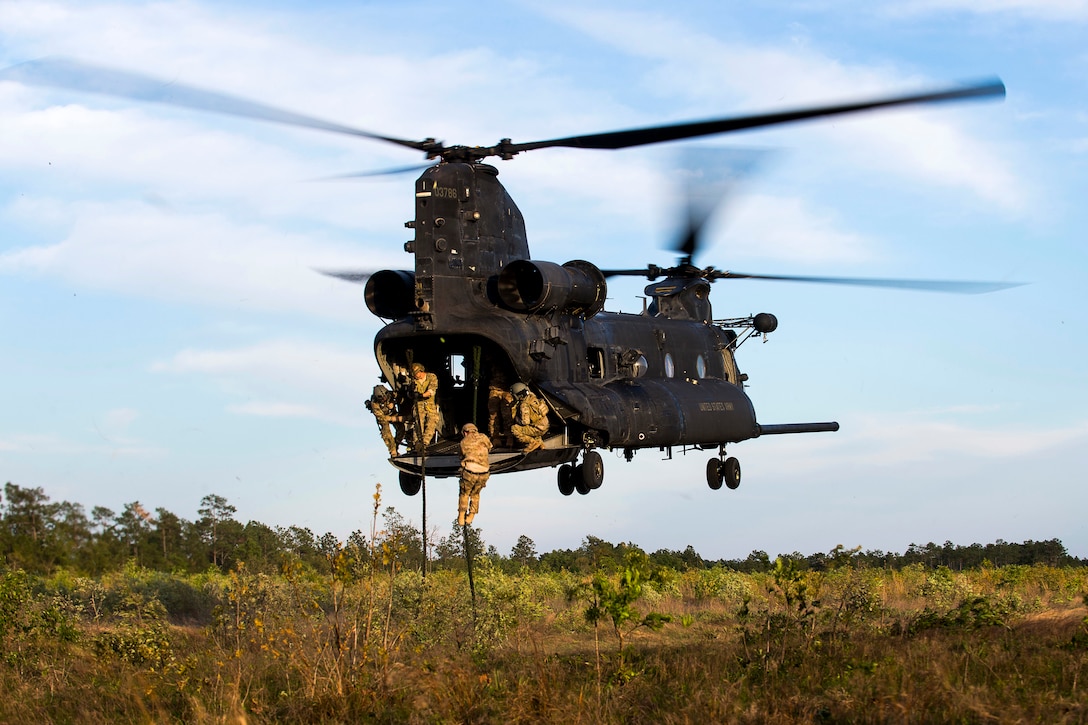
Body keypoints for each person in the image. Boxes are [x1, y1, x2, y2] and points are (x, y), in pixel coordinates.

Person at [457, 423, 492, 526]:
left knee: (465, 494)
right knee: (475, 494)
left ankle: (461, 516)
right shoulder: (484, 437)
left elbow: (461, 455)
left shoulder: (463, 442)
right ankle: (471, 516)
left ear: (465, 432)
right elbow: (489, 447)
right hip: (484, 472)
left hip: (470, 472)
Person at [509, 382, 549, 453]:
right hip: (544, 427)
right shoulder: (534, 398)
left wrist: (516, 419)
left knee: (514, 428)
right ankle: (541, 444)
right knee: (532, 425)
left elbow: (525, 422)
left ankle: (533, 442)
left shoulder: (524, 405)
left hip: (537, 429)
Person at [365, 384, 403, 457]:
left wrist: (393, 403)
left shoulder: (391, 394)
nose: (384, 399)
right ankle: (393, 451)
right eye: (382, 399)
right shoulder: (374, 404)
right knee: (386, 431)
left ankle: (396, 445)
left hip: (392, 414)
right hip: (383, 418)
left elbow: (400, 397)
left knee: (401, 428)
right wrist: (391, 418)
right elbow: (381, 418)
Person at [411, 362, 440, 451]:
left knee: (432, 422)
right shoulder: (413, 381)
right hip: (418, 405)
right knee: (418, 423)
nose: (415, 376)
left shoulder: (431, 377)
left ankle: (425, 443)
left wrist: (421, 395)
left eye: (416, 373)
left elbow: (431, 391)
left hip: (430, 405)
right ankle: (417, 443)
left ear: (421, 371)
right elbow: (411, 392)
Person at [487, 376, 515, 447]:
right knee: (493, 416)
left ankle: (510, 437)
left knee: (508, 415)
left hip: (508, 390)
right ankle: (495, 437)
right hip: (494, 389)